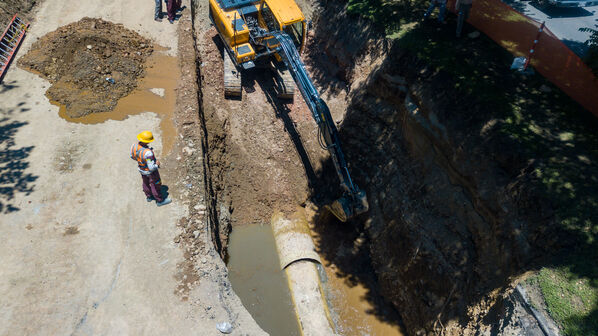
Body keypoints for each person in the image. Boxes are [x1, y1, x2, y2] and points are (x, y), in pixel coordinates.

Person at [130, 131, 172, 206]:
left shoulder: (134, 146)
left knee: (145, 183)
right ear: (148, 141)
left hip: (141, 170)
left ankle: (149, 196)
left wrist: (140, 160)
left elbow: (132, 156)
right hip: (150, 173)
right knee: (155, 185)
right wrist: (157, 164)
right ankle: (160, 200)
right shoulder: (148, 153)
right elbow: (151, 168)